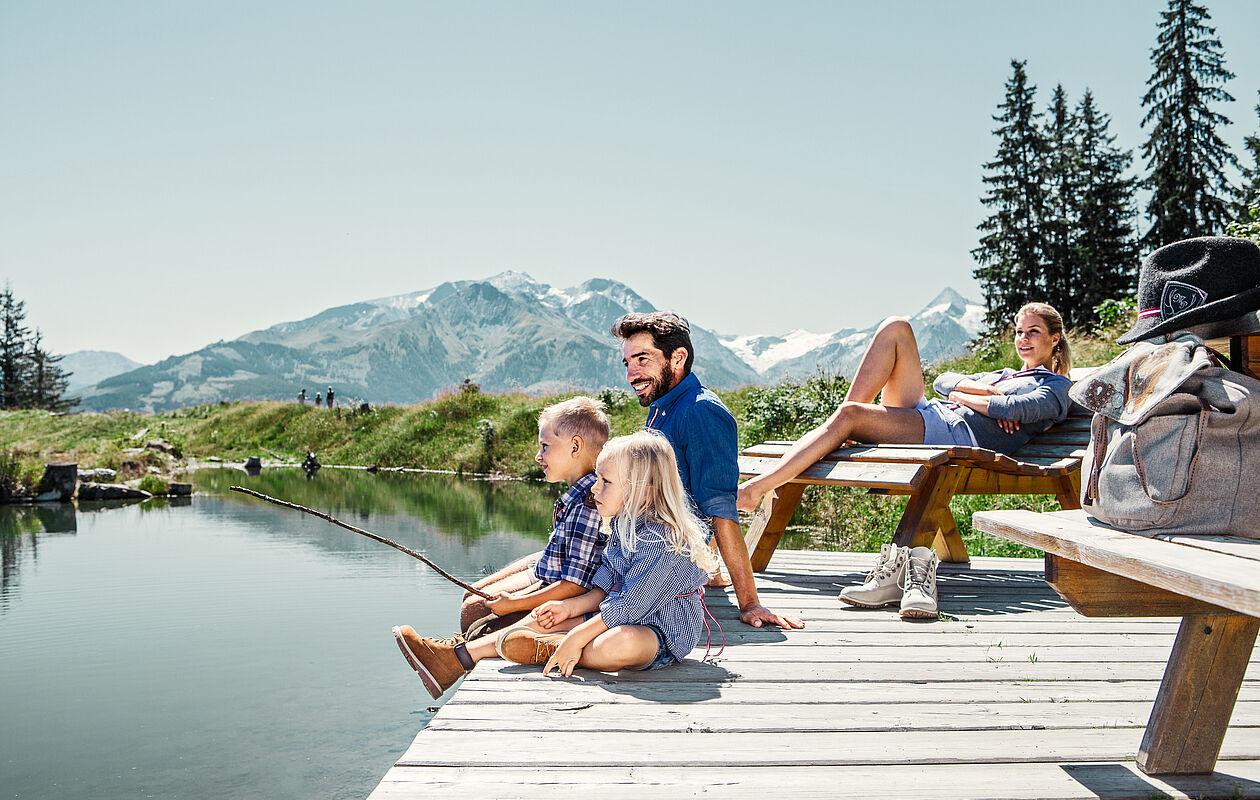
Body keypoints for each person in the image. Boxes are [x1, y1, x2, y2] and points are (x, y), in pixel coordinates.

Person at [736, 302, 1073, 618]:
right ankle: (841, 429)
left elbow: (1014, 409)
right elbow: (944, 382)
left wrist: (973, 397)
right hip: (935, 415)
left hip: (952, 434)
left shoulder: (1056, 387)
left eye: (1033, 332)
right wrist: (979, 392)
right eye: (1019, 331)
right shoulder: (1005, 374)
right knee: (896, 327)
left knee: (851, 414)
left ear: (1054, 339)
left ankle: (758, 488)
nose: (1023, 339)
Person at [392, 430, 719, 694]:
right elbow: (605, 587)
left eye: (606, 482)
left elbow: (630, 608)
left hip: (659, 633)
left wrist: (577, 634)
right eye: (597, 478)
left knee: (620, 642)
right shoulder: (625, 524)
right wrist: (568, 608)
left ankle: (551, 649)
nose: (594, 488)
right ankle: (455, 659)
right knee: (546, 619)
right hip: (614, 615)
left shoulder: (665, 543)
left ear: (644, 491)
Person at [610, 312, 803, 630]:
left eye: (642, 359)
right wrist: (713, 573)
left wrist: (750, 603)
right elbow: (684, 495)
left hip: (661, 563)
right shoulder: (663, 407)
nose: (631, 374)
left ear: (678, 358)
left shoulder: (702, 411)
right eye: (627, 363)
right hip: (640, 547)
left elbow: (720, 509)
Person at [456, 396, 610, 638]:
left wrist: (515, 603)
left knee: (473, 612)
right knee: (472, 597)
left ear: (575, 447)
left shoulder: (588, 505)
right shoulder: (579, 495)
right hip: (551, 574)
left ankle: (461, 653)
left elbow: (574, 585)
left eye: (545, 446)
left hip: (564, 596)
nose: (538, 456)